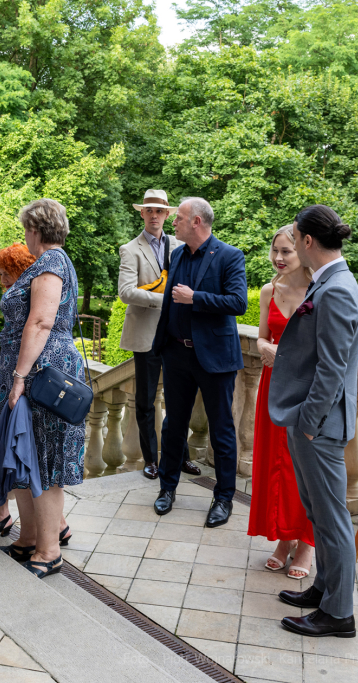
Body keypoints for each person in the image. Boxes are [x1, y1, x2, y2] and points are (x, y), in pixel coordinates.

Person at [268, 205, 358, 639]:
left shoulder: (338, 288)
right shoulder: (327, 282)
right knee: (318, 513)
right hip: (311, 422)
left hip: (319, 425)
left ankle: (338, 614)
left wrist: (307, 421)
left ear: (307, 242)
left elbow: (332, 367)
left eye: (294, 238)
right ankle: (324, 590)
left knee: (331, 519)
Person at [0, 200, 85, 579]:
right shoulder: (48, 263)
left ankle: (49, 550)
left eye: (27, 229)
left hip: (43, 372)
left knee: (44, 459)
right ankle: (28, 538)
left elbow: (41, 322)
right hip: (29, 371)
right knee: (25, 454)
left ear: (36, 230)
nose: (25, 236)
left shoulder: (52, 263)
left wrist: (21, 376)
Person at [150, 197, 247, 527]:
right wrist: (160, 344)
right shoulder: (176, 254)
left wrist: (196, 298)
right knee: (173, 424)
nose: (172, 223)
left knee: (221, 430)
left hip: (215, 358)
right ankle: (167, 489)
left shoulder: (230, 256)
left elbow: (237, 302)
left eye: (177, 218)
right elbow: (167, 303)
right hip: (176, 353)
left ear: (196, 222)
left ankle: (223, 499)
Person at [247, 226, 316, 579]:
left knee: (300, 470)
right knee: (274, 463)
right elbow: (260, 337)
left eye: (286, 251)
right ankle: (282, 539)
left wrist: (285, 356)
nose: (278, 257)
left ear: (303, 250)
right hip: (273, 388)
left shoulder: (320, 291)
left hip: (305, 390)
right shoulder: (268, 290)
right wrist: (264, 347)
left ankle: (305, 544)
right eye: (275, 250)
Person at [118, 190, 198, 480]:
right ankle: (151, 460)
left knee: (180, 399)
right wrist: (163, 299)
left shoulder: (180, 245)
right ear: (142, 213)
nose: (154, 215)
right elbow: (126, 292)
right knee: (146, 401)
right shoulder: (130, 249)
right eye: (149, 210)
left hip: (176, 334)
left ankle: (182, 456)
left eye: (160, 211)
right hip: (146, 335)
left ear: (168, 215)